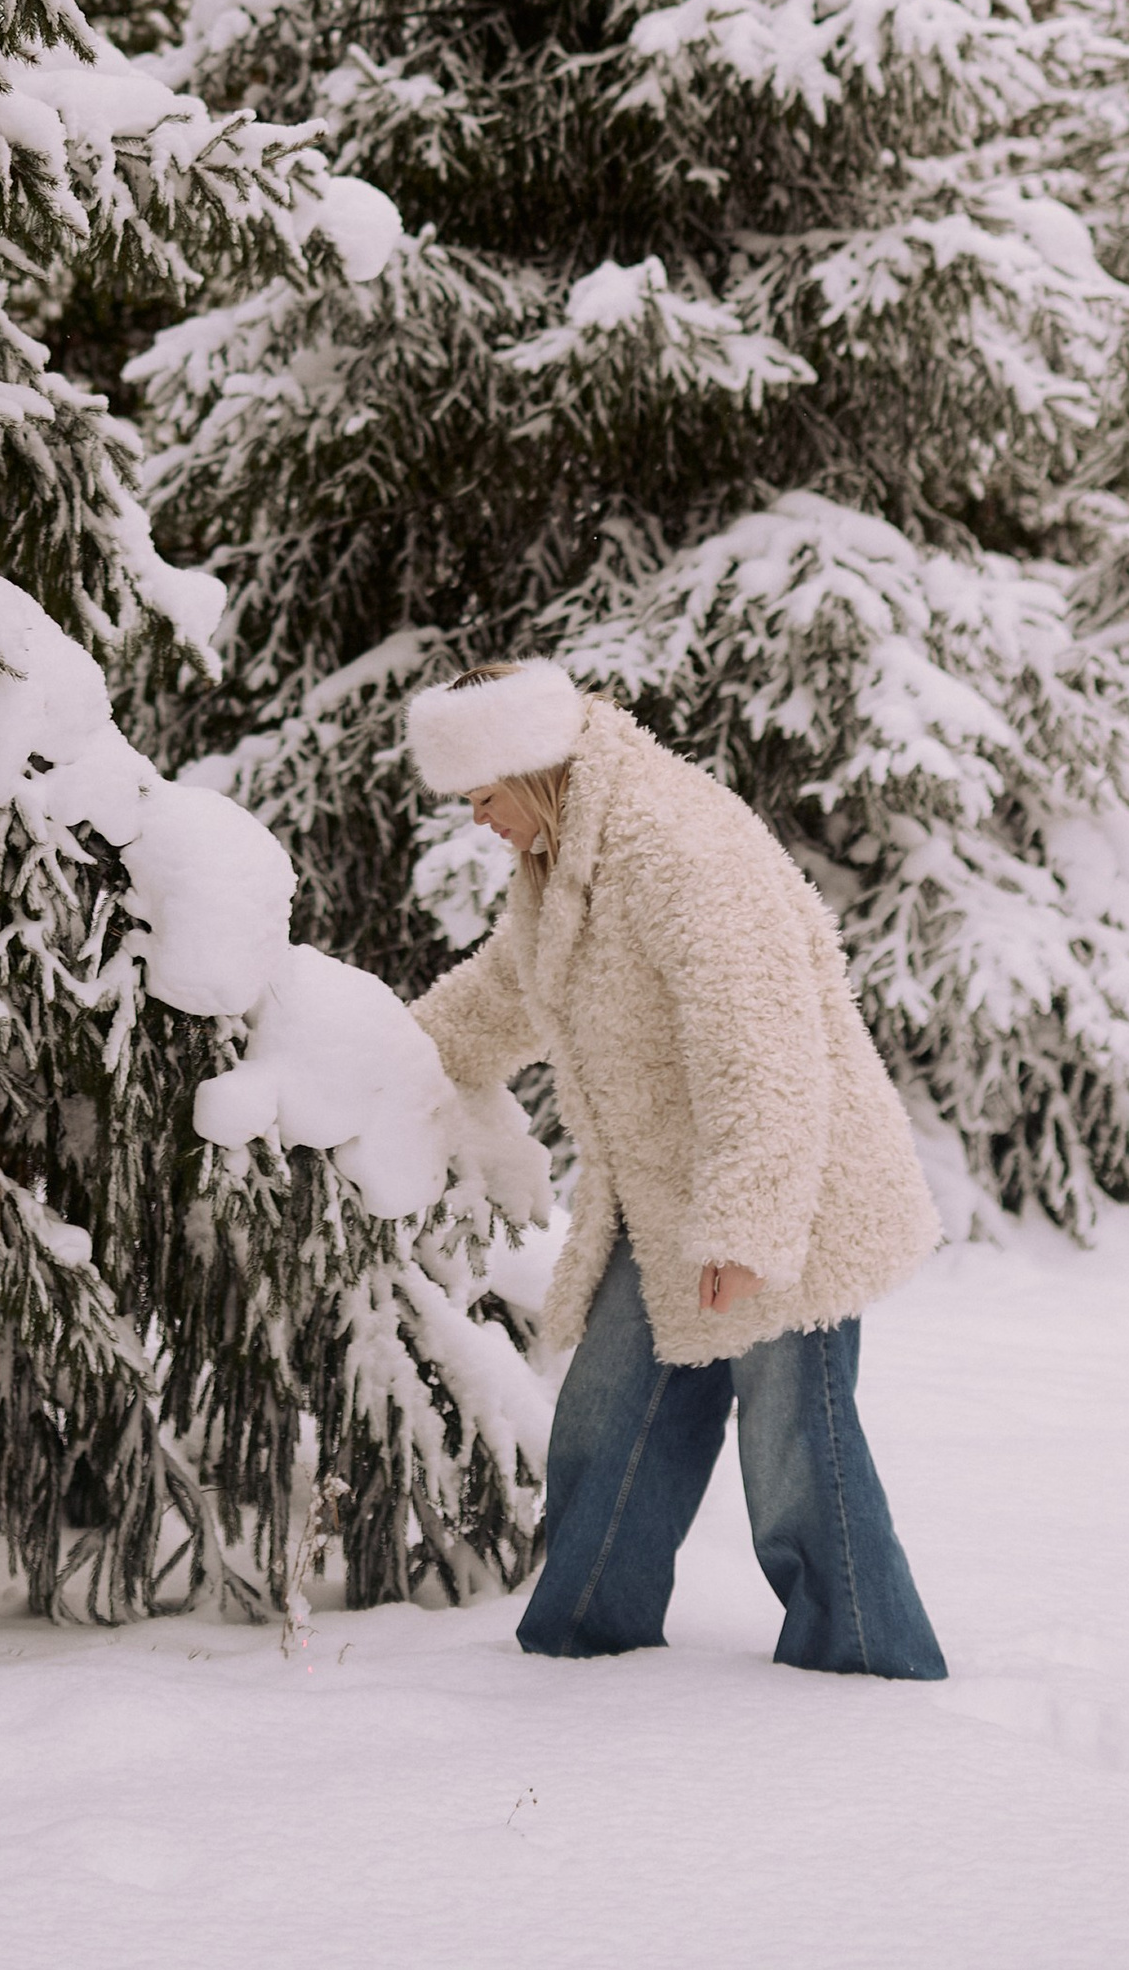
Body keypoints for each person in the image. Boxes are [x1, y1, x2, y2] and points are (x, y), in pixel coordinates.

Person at [407, 655, 948, 1681]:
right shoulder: (567, 861)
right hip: (661, 1203)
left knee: (800, 1452)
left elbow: (762, 1040)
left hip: (790, 1193)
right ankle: (576, 1642)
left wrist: (746, 1229)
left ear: (530, 767)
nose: (477, 819)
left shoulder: (673, 842)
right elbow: (500, 993)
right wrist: (380, 1057)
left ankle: (868, 1667)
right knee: (607, 1423)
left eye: (482, 796)